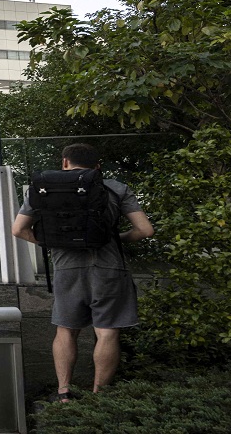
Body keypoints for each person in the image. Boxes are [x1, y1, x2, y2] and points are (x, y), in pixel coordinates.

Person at [12, 143, 154, 402]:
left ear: (64, 162)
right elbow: (145, 231)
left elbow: (18, 230)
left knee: (66, 329)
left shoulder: (45, 187)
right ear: (98, 167)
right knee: (107, 331)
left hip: (67, 268)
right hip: (110, 268)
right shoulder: (116, 187)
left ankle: (64, 392)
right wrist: (116, 239)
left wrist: (55, 243)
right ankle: (98, 396)